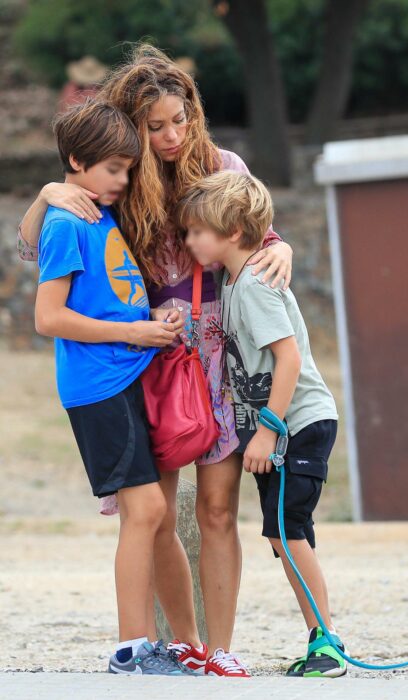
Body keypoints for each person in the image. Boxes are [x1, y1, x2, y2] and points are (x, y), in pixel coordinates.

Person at [17, 44, 294, 675]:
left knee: (218, 506)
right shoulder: (117, 178)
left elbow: (259, 233)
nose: (172, 136)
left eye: (182, 119)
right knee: (157, 511)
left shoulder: (223, 165)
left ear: (195, 113)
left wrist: (283, 249)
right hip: (147, 355)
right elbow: (35, 249)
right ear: (132, 131)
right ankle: (185, 646)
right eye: (156, 125)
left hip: (219, 351)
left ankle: (220, 649)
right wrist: (48, 192)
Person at [34, 99, 192, 676]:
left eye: (129, 169)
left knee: (149, 513)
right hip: (97, 387)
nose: (123, 181)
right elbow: (48, 318)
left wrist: (153, 325)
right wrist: (133, 333)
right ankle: (132, 648)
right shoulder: (67, 221)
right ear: (76, 161)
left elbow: (109, 292)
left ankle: (153, 644)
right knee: (146, 510)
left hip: (127, 376)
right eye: (113, 170)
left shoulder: (97, 213)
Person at [176, 170, 347, 678]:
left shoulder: (253, 284)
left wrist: (268, 429)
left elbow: (288, 359)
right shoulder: (233, 280)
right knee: (282, 535)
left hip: (298, 424)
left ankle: (328, 644)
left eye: (196, 231)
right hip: (281, 428)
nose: (189, 241)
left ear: (231, 231)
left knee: (288, 533)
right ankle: (322, 636)